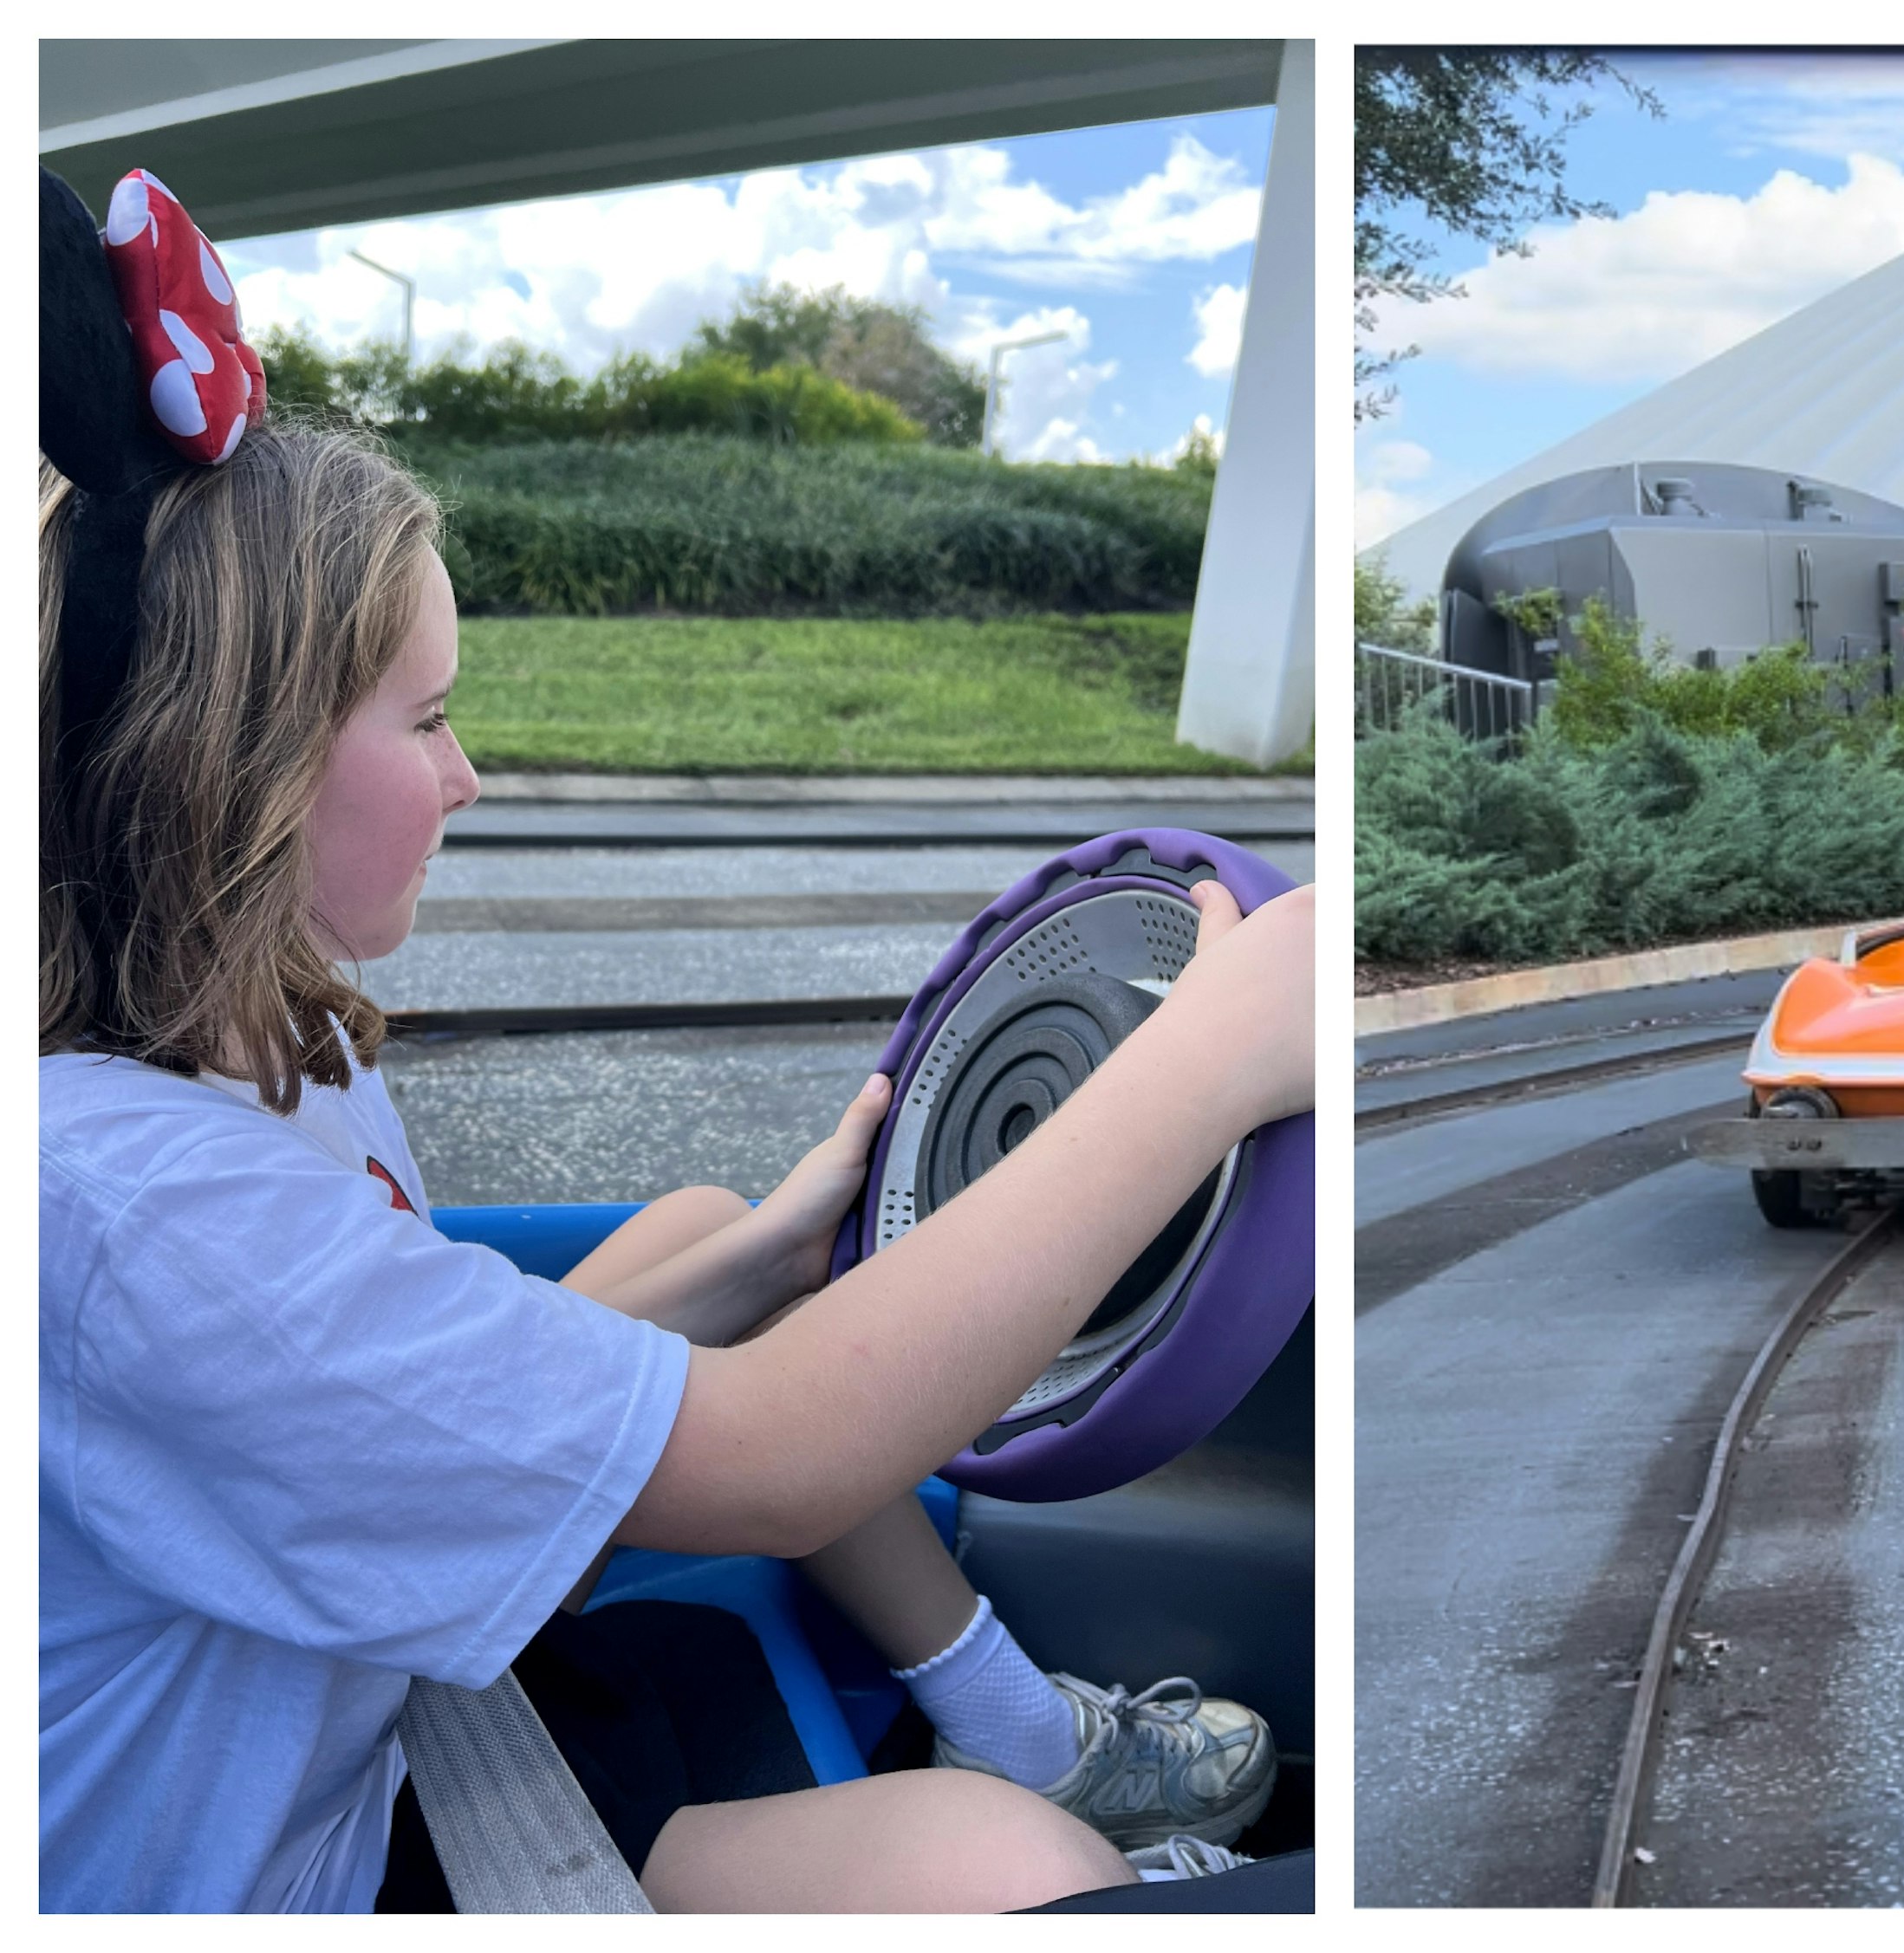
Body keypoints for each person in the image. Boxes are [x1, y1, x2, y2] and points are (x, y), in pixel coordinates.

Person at [41, 169, 1310, 1914]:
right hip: (305, 1861)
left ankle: (1012, 1719)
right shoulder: (140, 1218)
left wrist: (781, 1251)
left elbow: (388, 1406)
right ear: (235, 771)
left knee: (712, 1236)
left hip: (350, 1685)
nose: (471, 774)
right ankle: (1034, 1768)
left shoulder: (266, 1032)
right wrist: (1206, 1063)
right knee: (1028, 1871)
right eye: (429, 718)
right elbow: (784, 1449)